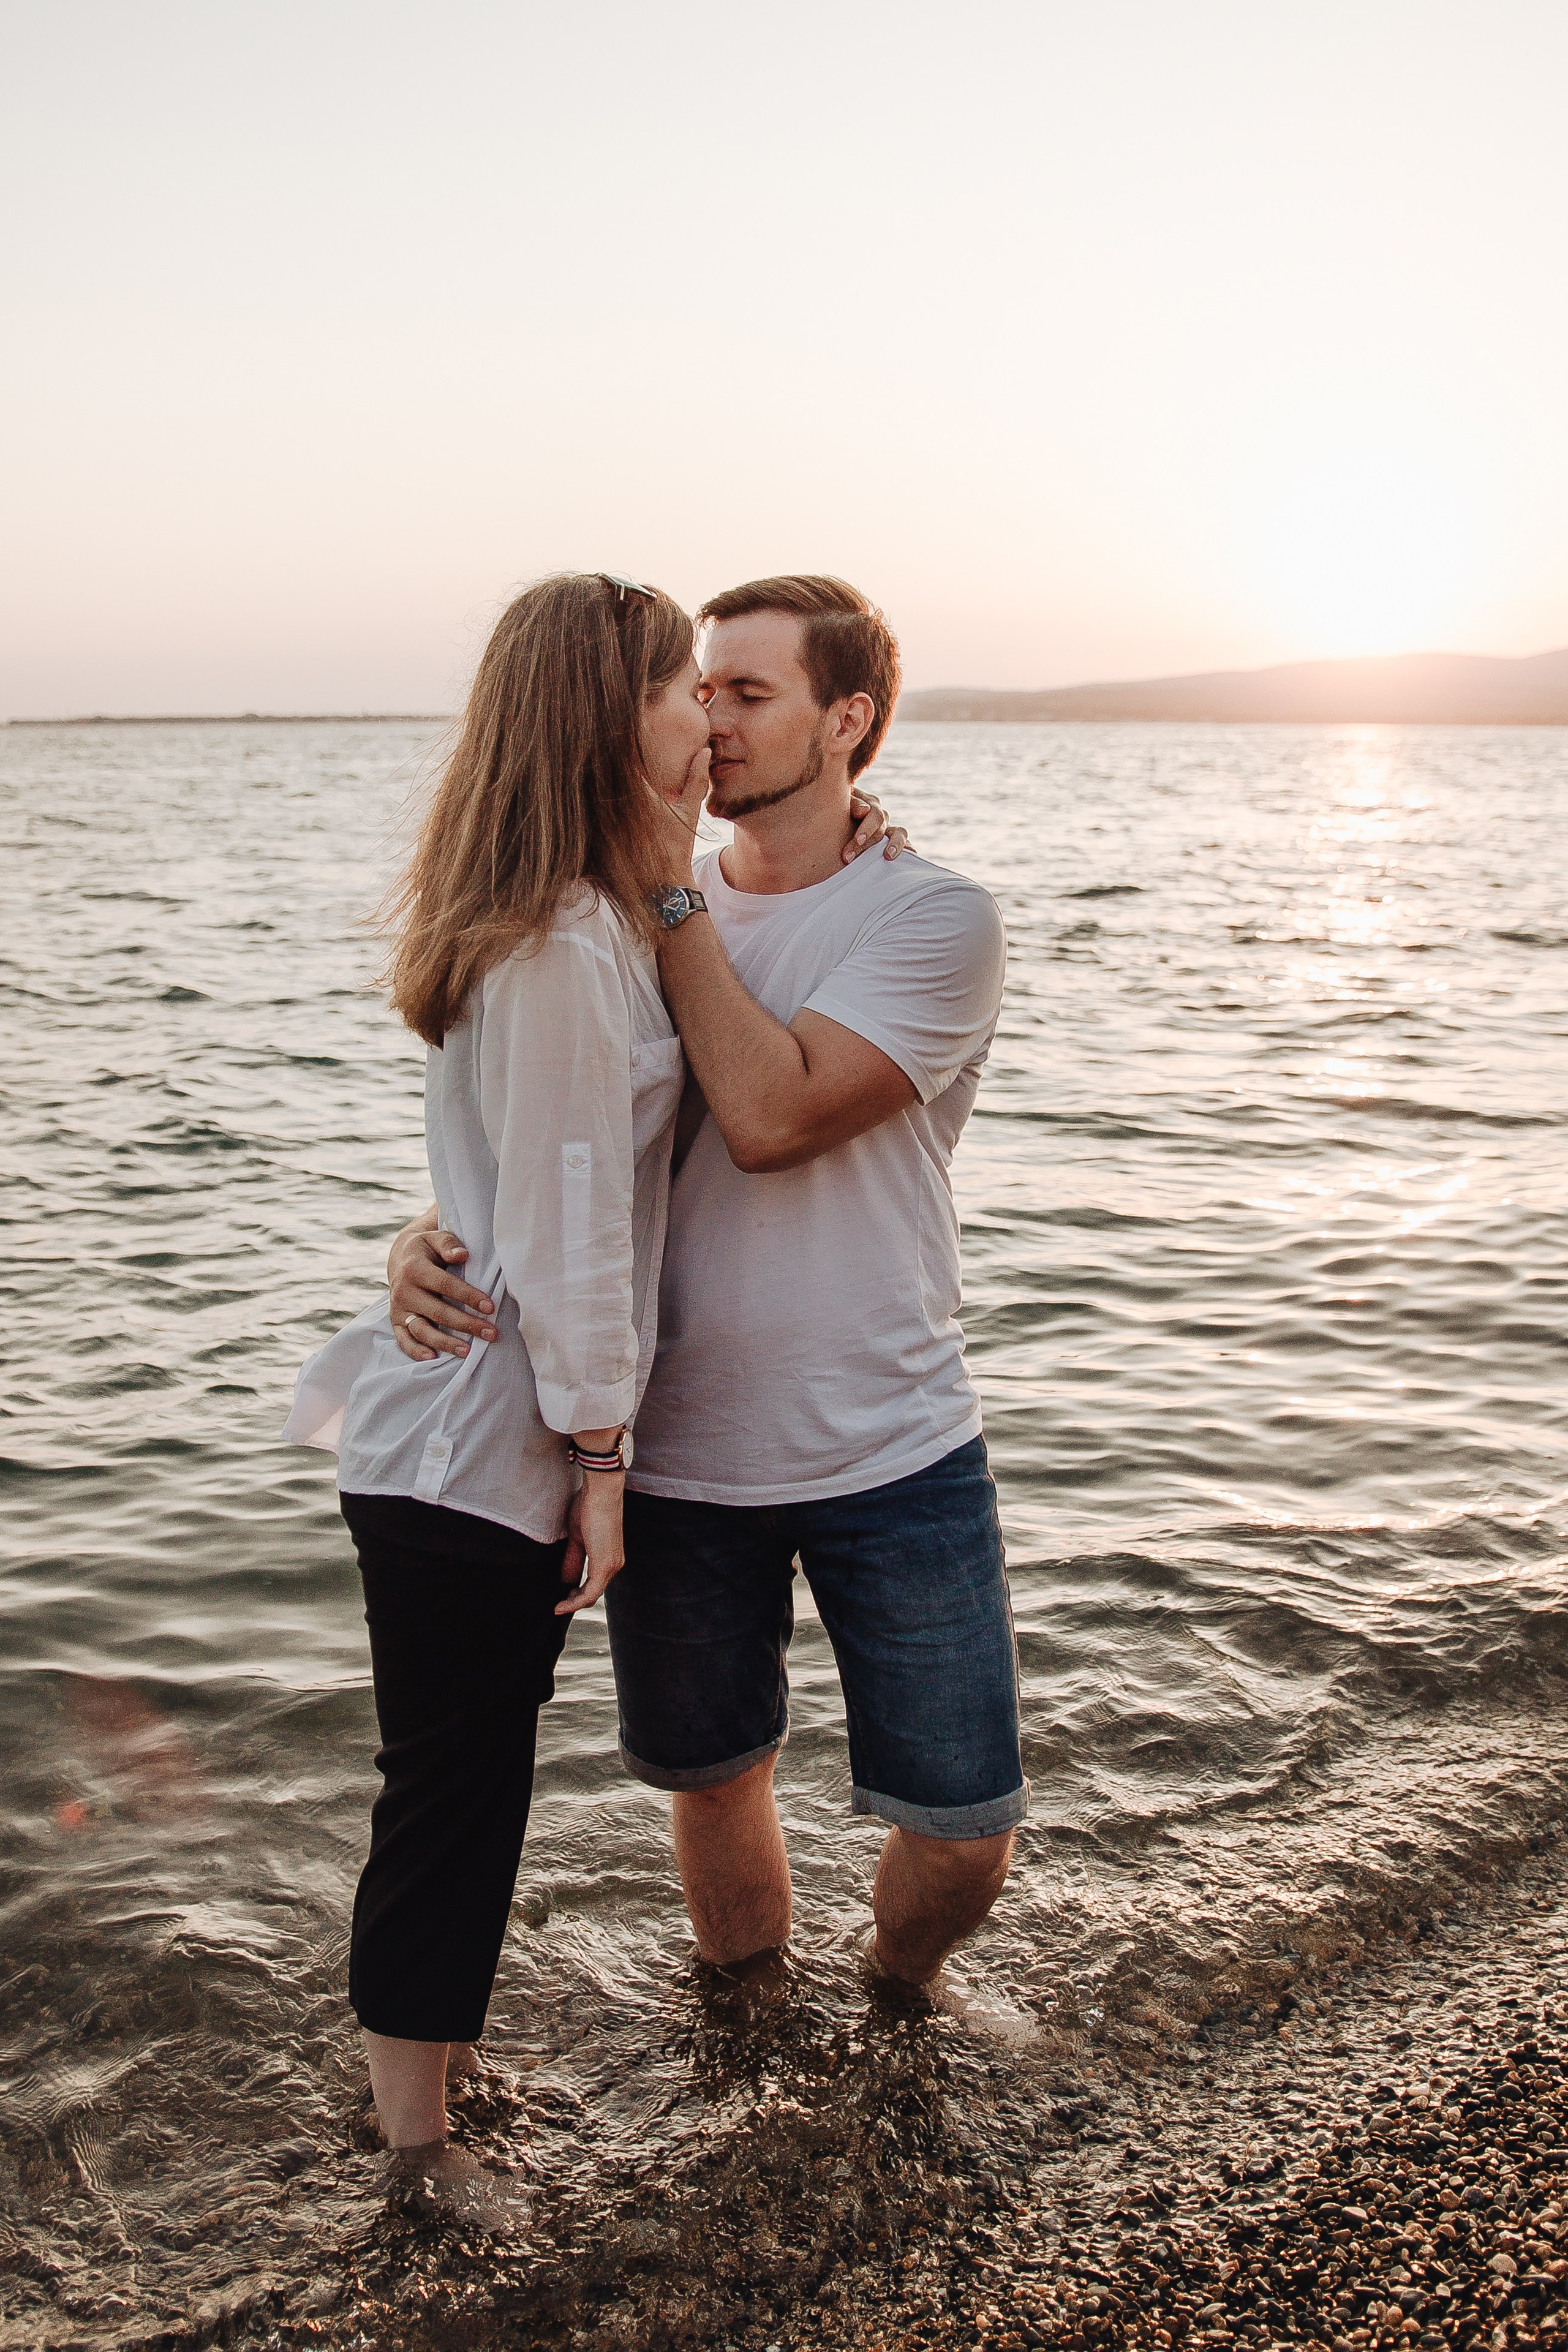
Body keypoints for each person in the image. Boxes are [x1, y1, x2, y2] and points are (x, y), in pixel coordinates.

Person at [390, 575, 1025, 2006]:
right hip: (673, 1454)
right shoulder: (605, 919)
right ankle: (747, 2029)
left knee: (963, 1822)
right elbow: (548, 1141)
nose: (710, 718)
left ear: (845, 720)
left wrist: (668, 888)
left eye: (749, 691)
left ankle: (896, 1991)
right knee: (713, 1778)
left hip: (891, 1441)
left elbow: (769, 1114)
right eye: (699, 687)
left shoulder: (930, 918)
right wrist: (424, 1238)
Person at [282, 571, 710, 2226]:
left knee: (463, 1775)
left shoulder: (585, 925)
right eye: (679, 685)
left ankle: (429, 2084)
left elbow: (522, 1193)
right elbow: (575, 1231)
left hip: (464, 1433)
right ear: (608, 713)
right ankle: (414, 2148)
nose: (699, 712)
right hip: (475, 1451)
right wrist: (603, 1456)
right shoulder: (555, 951)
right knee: (454, 1790)